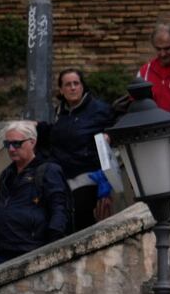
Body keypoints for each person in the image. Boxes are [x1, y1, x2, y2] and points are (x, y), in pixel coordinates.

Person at [37, 69, 115, 234]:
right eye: (68, 84)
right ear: (61, 90)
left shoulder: (99, 109)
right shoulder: (60, 113)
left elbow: (115, 128)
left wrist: (110, 135)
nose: (72, 88)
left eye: (76, 83)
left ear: (82, 86)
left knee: (84, 228)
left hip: (89, 180)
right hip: (63, 180)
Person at [0, 122, 70, 267]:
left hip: (30, 251)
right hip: (1, 251)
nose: (11, 149)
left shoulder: (48, 171)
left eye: (17, 144)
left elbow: (60, 211)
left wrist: (51, 249)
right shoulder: (7, 174)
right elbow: (1, 211)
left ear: (32, 142)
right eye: (7, 144)